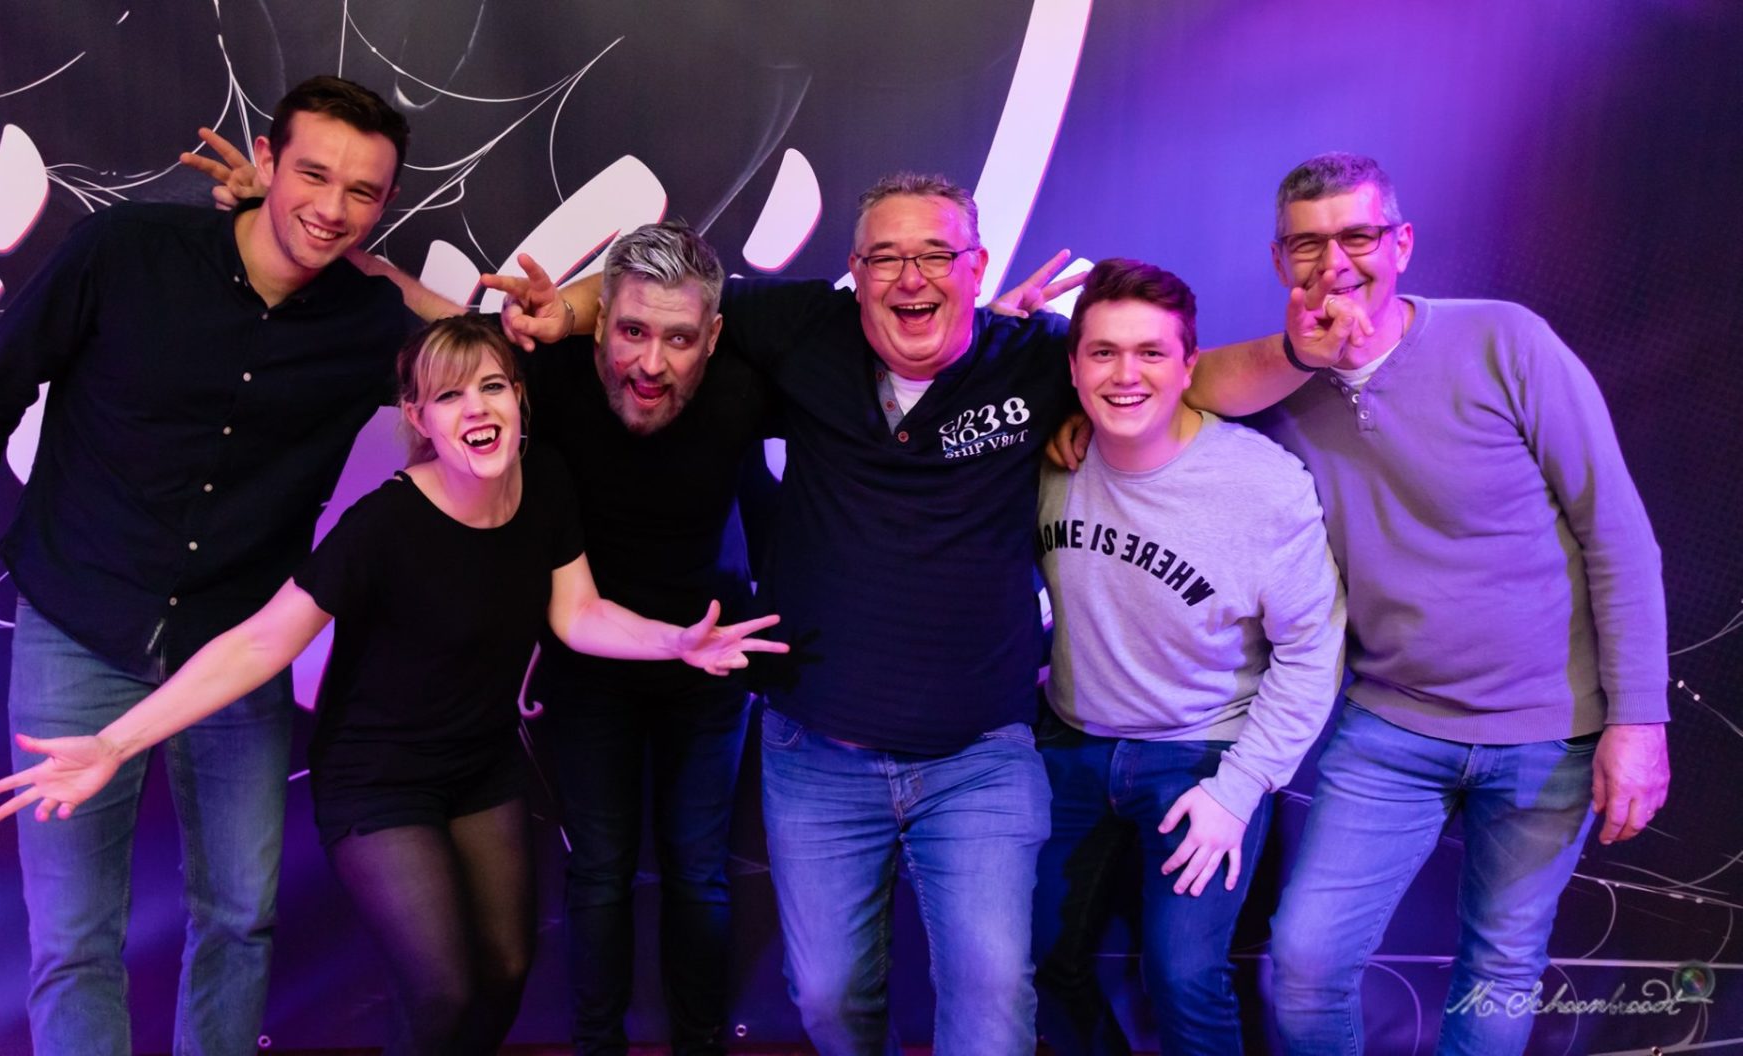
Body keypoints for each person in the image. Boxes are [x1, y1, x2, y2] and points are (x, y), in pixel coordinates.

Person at [492, 171, 1294, 1055]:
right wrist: (562, 313)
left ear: (978, 267)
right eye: (885, 257)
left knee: (992, 1003)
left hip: (980, 758)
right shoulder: (805, 328)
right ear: (855, 271)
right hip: (817, 754)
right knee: (828, 1000)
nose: (911, 277)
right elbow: (661, 294)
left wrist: (1301, 349)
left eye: (937, 255)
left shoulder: (1038, 359)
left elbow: (1194, 378)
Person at [0, 314, 788, 1056]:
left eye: (492, 385)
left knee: (508, 968)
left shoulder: (544, 481)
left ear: (520, 399)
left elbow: (578, 615)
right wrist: (115, 742)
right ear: (419, 418)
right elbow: (260, 641)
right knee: (444, 991)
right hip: (378, 775)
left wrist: (676, 642)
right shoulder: (384, 526)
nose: (477, 408)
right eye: (450, 395)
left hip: (480, 762)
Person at [0, 76, 420, 1056]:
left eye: (362, 191)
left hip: (238, 648)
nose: (331, 207)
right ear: (265, 162)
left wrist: (379, 268)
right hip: (78, 623)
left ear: (387, 202)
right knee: (73, 939)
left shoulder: (371, 323)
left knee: (240, 915)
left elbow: (490, 356)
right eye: (312, 174)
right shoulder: (127, 251)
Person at [1243, 153, 1670, 1055]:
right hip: (1390, 728)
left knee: (1501, 968)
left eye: (1358, 236)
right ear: (1280, 261)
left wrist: (1638, 720)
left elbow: (1619, 538)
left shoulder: (1505, 340)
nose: (1334, 263)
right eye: (1307, 244)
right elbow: (1168, 390)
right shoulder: (1276, 389)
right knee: (1306, 962)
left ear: (1401, 243)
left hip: (1551, 733)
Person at [1030, 259, 1344, 1055]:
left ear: (1189, 365)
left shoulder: (1261, 485)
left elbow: (1311, 652)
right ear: (1073, 367)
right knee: (1034, 961)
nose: (1125, 375)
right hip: (1070, 740)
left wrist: (1237, 791)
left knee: (1183, 978)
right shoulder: (1050, 459)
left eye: (1151, 353)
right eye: (1103, 353)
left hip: (1202, 750)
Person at [522, 221, 769, 1055]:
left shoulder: (744, 385)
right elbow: (426, 338)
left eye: (679, 339)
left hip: (710, 656)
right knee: (599, 870)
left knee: (699, 872)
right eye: (631, 330)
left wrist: (1005, 333)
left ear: (714, 337)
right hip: (589, 658)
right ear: (598, 319)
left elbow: (883, 351)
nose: (651, 364)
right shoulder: (548, 371)